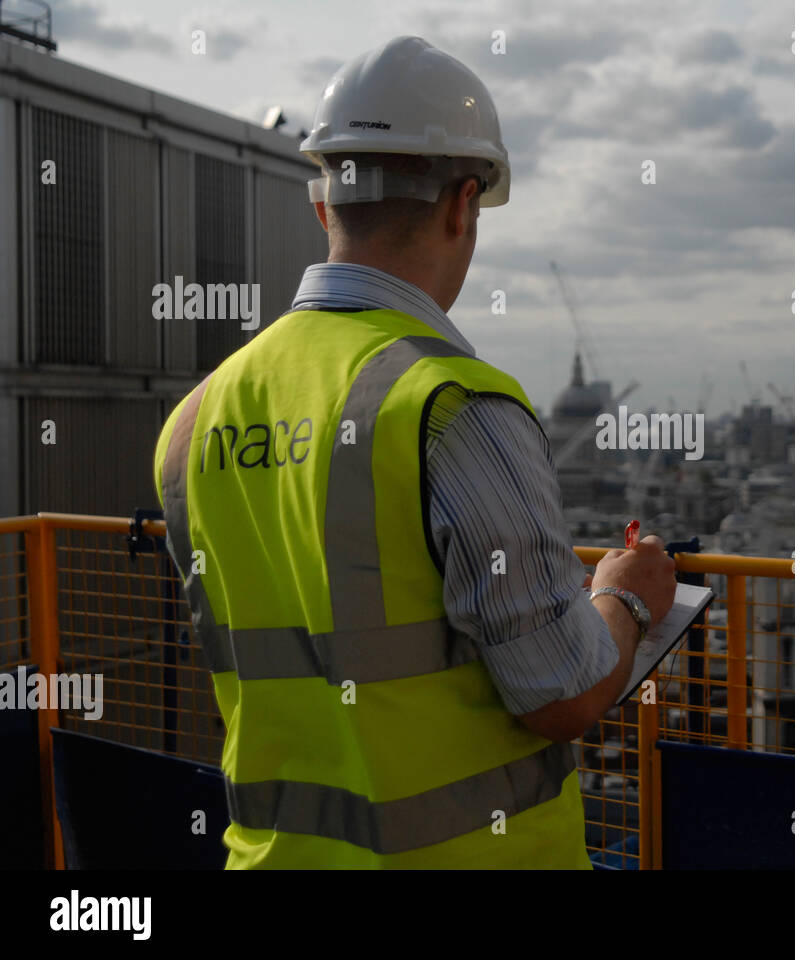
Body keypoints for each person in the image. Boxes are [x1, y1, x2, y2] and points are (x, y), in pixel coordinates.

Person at [153, 35, 677, 869]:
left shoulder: (193, 420)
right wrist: (629, 600)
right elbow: (563, 692)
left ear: (325, 205)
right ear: (462, 204)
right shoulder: (452, 405)